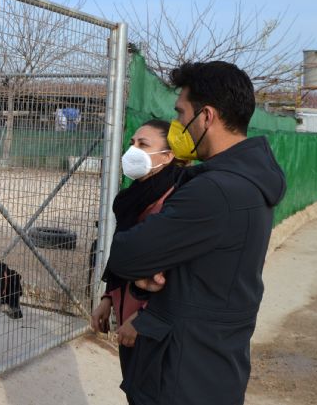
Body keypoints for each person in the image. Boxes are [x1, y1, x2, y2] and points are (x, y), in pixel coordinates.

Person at [106, 61, 286, 405]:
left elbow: (125, 255)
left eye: (180, 113)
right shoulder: (253, 180)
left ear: (206, 116)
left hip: (181, 371)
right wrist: (154, 272)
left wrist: (146, 271)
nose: (176, 124)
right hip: (214, 363)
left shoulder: (214, 190)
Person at [91, 119, 182, 405]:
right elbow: (124, 255)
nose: (133, 150)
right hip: (126, 311)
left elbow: (176, 274)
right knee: (134, 388)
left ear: (168, 156)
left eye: (144, 144)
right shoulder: (132, 198)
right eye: (132, 143)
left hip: (152, 322)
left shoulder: (174, 201)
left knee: (150, 393)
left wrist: (144, 318)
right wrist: (109, 296)